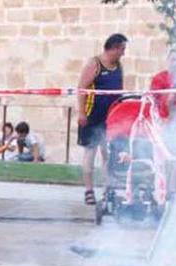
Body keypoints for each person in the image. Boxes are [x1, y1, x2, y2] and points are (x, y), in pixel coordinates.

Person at [77, 33, 127, 205]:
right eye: (122, 49)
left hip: (111, 117)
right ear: (113, 48)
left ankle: (109, 188)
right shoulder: (95, 64)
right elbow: (82, 88)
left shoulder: (118, 65)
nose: (123, 53)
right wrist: (82, 113)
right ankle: (89, 191)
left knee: (109, 154)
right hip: (92, 115)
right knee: (90, 152)